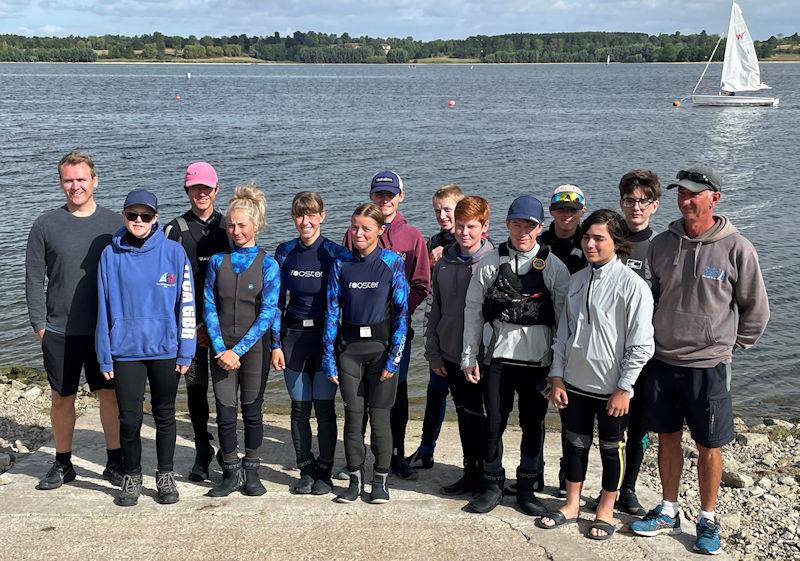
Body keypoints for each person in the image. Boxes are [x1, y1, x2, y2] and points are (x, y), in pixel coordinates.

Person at [630, 166, 769, 555]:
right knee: (667, 437)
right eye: (681, 193)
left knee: (710, 445)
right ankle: (669, 508)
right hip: (661, 360)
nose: (686, 200)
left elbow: (756, 309)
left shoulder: (737, 247)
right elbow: (649, 300)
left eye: (694, 194)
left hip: (709, 366)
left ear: (714, 199)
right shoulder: (662, 244)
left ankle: (707, 519)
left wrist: (727, 346)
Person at [535, 209, 654, 541]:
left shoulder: (633, 285)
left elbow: (642, 345)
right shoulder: (577, 280)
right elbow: (563, 334)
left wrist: (625, 387)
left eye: (599, 238)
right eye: (586, 237)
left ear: (616, 242)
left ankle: (605, 509)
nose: (590, 244)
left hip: (612, 387)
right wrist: (556, 377)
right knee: (575, 444)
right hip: (574, 382)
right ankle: (572, 504)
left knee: (611, 448)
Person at [462, 195, 569, 515]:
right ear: (506, 224)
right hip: (497, 361)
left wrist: (558, 368)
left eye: (530, 225)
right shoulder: (489, 263)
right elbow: (473, 310)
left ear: (540, 228)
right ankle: (492, 484)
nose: (523, 231)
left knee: (532, 424)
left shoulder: (553, 266)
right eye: (516, 224)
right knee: (493, 422)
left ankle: (526, 488)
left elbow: (565, 320)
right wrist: (468, 356)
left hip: (538, 363)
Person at [25, 150, 123, 491]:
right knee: (61, 396)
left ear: (95, 180)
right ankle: (63, 463)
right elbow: (34, 277)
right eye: (68, 180)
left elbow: (130, 273)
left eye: (81, 179)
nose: (75, 186)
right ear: (60, 183)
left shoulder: (115, 224)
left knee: (109, 395)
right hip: (59, 329)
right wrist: (40, 324)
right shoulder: (46, 224)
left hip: (104, 331)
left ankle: (114, 461)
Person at [96, 189, 196, 507]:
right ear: (124, 216)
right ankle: (132, 474)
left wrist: (186, 349)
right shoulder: (110, 256)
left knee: (165, 415)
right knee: (129, 419)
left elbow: (187, 305)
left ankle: (164, 475)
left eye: (145, 216)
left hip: (166, 349)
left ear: (155, 218)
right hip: (125, 351)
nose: (138, 221)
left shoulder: (173, 253)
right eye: (132, 215)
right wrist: (104, 353)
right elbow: (103, 307)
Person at [341, 170, 430, 481]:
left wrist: (395, 315)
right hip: (359, 335)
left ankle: (396, 456)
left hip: (395, 333)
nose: (385, 199)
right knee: (360, 398)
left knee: (396, 395)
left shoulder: (413, 236)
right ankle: (356, 457)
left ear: (400, 197)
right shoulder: (356, 230)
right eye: (379, 194)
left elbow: (420, 284)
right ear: (371, 197)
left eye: (390, 195)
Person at [324, 203, 409, 504]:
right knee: (353, 417)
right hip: (348, 352)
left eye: (366, 228)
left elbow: (402, 313)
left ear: (380, 231)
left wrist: (395, 356)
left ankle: (381, 481)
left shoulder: (392, 263)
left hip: (381, 351)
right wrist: (328, 357)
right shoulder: (341, 265)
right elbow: (332, 312)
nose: (359, 233)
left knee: (380, 418)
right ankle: (354, 480)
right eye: (355, 227)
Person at [588, 169, 661, 516]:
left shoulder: (659, 247)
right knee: (600, 427)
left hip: (644, 355)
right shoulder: (603, 241)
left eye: (643, 201)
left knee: (638, 424)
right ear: (620, 202)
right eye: (630, 200)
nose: (636, 207)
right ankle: (597, 487)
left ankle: (627, 488)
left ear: (654, 206)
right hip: (602, 355)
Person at [203, 184, 280, 498]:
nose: (235, 230)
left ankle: (252, 472)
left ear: (256, 225)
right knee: (224, 411)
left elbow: (268, 313)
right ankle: (230, 472)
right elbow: (208, 303)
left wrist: (238, 350)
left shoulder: (269, 265)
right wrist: (221, 348)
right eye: (231, 225)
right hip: (222, 349)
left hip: (252, 350)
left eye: (242, 225)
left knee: (252, 411)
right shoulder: (217, 262)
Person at [271, 192, 350, 495]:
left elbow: (350, 298)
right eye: (299, 215)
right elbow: (276, 303)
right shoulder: (285, 252)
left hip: (326, 340)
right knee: (299, 409)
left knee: (325, 408)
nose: (305, 221)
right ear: (293, 217)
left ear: (322, 216)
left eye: (311, 214)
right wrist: (274, 344)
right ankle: (305, 467)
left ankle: (325, 471)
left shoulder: (335, 253)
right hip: (293, 340)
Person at [163, 161, 230, 482]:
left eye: (207, 188)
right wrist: (189, 326)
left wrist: (213, 326)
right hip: (186, 326)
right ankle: (203, 447)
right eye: (195, 188)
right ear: (187, 191)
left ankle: (228, 450)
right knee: (195, 388)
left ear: (216, 191)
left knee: (225, 391)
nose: (201, 193)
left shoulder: (229, 228)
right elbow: (165, 281)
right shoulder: (174, 230)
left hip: (222, 325)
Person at [425, 196, 493, 495]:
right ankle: (471, 472)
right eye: (461, 226)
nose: (465, 233)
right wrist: (433, 352)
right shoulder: (444, 262)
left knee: (489, 418)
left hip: (485, 357)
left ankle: (491, 476)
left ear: (484, 227)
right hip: (450, 353)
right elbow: (435, 309)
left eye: (472, 227)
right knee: (465, 414)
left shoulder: (494, 262)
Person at [407, 183, 465, 470]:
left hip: (466, 336)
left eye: (448, 210)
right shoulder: (433, 243)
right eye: (437, 210)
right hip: (439, 331)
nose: (442, 215)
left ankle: (476, 461)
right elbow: (422, 285)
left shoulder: (472, 241)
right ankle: (426, 449)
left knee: (469, 403)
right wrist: (429, 265)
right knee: (435, 392)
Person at [536, 183, 588, 497]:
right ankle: (534, 472)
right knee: (537, 409)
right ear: (551, 211)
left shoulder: (591, 241)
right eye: (560, 209)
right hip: (543, 336)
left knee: (573, 416)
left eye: (572, 209)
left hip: (579, 339)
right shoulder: (540, 244)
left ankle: (568, 476)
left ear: (581, 210)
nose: (566, 215)